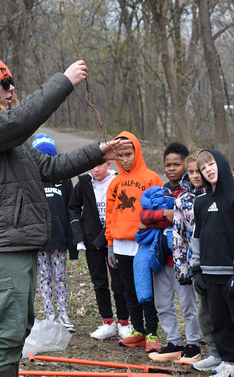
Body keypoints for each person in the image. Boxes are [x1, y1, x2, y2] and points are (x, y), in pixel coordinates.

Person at [0, 50, 130, 377]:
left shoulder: (10, 140)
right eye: (4, 83)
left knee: (16, 333)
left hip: (16, 248)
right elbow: (19, 121)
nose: (11, 89)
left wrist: (97, 152)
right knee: (4, 338)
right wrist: (63, 82)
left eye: (11, 83)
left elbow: (49, 166)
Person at [191, 149, 234, 377]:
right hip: (209, 274)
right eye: (203, 168)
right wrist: (196, 268)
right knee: (219, 322)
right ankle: (230, 362)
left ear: (220, 163)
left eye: (211, 164)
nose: (208, 169)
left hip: (233, 275)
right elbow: (197, 237)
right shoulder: (200, 202)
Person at [137, 143, 201, 364]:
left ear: (187, 164)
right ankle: (173, 343)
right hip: (160, 258)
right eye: (168, 164)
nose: (172, 168)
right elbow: (143, 217)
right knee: (162, 304)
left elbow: (186, 219)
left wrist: (162, 218)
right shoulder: (160, 190)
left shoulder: (191, 191)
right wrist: (166, 213)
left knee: (187, 304)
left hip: (181, 260)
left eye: (177, 164)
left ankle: (193, 344)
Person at [104, 131, 162, 353]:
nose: (124, 159)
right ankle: (137, 331)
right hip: (120, 244)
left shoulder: (151, 178)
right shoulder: (114, 182)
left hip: (143, 243)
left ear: (137, 152)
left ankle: (152, 333)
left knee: (145, 290)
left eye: (128, 154)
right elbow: (109, 215)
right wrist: (110, 244)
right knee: (128, 289)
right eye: (120, 155)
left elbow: (158, 211)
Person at [67, 160, 132, 340]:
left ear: (108, 164)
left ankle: (124, 322)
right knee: (99, 282)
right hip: (91, 242)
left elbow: (123, 210)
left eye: (99, 165)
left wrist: (102, 238)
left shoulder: (118, 181)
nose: (95, 169)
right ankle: (107, 322)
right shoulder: (84, 184)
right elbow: (73, 208)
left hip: (116, 240)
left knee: (119, 283)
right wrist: (79, 236)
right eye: (92, 166)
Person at [172, 148, 221, 369]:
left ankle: (230, 353)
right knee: (205, 312)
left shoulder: (219, 195)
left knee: (223, 311)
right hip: (196, 265)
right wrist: (182, 269)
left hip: (219, 263)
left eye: (198, 170)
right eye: (190, 171)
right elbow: (179, 236)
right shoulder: (183, 200)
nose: (195, 175)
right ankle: (214, 353)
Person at [31, 133, 77, 332]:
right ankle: (50, 314)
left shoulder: (63, 179)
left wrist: (73, 239)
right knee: (44, 277)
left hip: (59, 237)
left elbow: (71, 208)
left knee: (59, 276)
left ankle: (63, 313)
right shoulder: (31, 181)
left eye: (49, 157)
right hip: (40, 238)